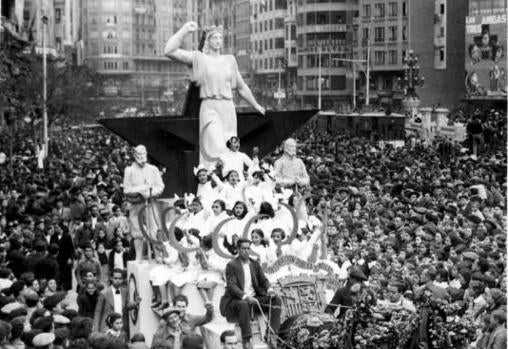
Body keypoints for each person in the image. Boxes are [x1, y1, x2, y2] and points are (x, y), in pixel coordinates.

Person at [164, 21, 265, 168]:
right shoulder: (200, 59)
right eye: (214, 38)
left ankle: (230, 182)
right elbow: (169, 51)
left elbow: (241, 87)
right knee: (215, 147)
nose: (218, 41)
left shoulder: (229, 60)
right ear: (208, 40)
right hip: (210, 108)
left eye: (220, 38)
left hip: (228, 108)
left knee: (230, 147)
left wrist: (255, 105)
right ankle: (211, 181)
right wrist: (184, 30)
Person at [220, 238, 282, 349]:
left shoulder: (254, 263)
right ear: (238, 249)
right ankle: (247, 339)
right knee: (243, 304)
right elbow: (232, 286)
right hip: (236, 300)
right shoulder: (231, 265)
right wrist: (245, 296)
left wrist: (270, 290)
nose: (246, 251)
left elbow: (263, 280)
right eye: (243, 248)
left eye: (248, 248)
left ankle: (272, 335)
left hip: (255, 299)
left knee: (276, 299)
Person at [123, 145, 164, 261]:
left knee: (154, 229)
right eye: (139, 155)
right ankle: (139, 256)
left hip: (150, 202)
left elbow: (160, 186)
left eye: (143, 154)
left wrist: (151, 192)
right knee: (137, 230)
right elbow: (126, 189)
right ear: (135, 155)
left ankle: (158, 255)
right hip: (136, 203)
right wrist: (141, 190)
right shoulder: (129, 170)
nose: (141, 157)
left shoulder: (153, 169)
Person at [93, 269, 138, 334]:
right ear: (111, 278)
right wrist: (96, 330)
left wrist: (135, 304)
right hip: (107, 327)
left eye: (120, 278)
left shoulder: (125, 291)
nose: (118, 280)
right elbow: (98, 312)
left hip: (121, 326)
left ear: (122, 280)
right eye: (115, 278)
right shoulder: (104, 293)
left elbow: (126, 305)